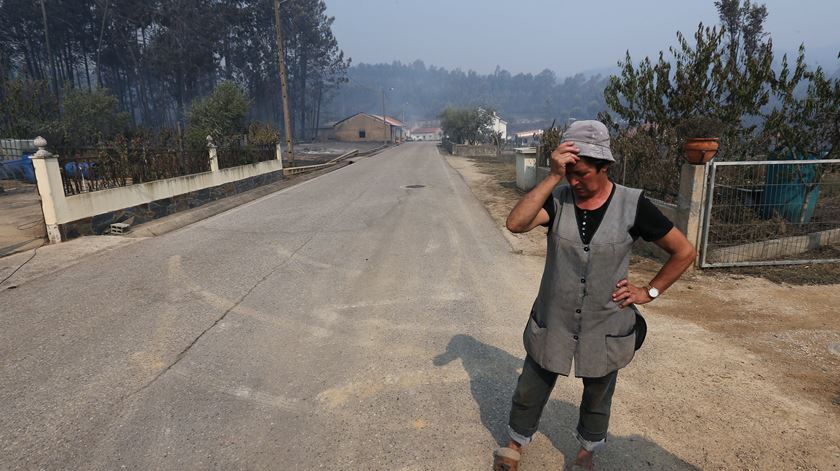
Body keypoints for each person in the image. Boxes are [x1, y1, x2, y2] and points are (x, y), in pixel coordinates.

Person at [493, 120, 697, 471]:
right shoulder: (558, 199)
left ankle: (585, 454)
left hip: (606, 320)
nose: (575, 182)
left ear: (605, 167)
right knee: (532, 385)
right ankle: (514, 445)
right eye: (568, 173)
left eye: (582, 173)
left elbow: (684, 251)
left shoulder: (633, 205)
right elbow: (515, 223)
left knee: (598, 393)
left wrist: (648, 291)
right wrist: (552, 176)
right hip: (554, 316)